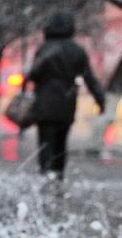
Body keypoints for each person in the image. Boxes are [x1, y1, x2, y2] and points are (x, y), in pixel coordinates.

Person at [25, 11, 105, 179]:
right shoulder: (77, 51)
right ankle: (58, 174)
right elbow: (89, 78)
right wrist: (100, 100)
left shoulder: (45, 49)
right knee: (61, 141)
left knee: (46, 141)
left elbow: (33, 73)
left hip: (45, 102)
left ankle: (45, 173)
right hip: (66, 102)